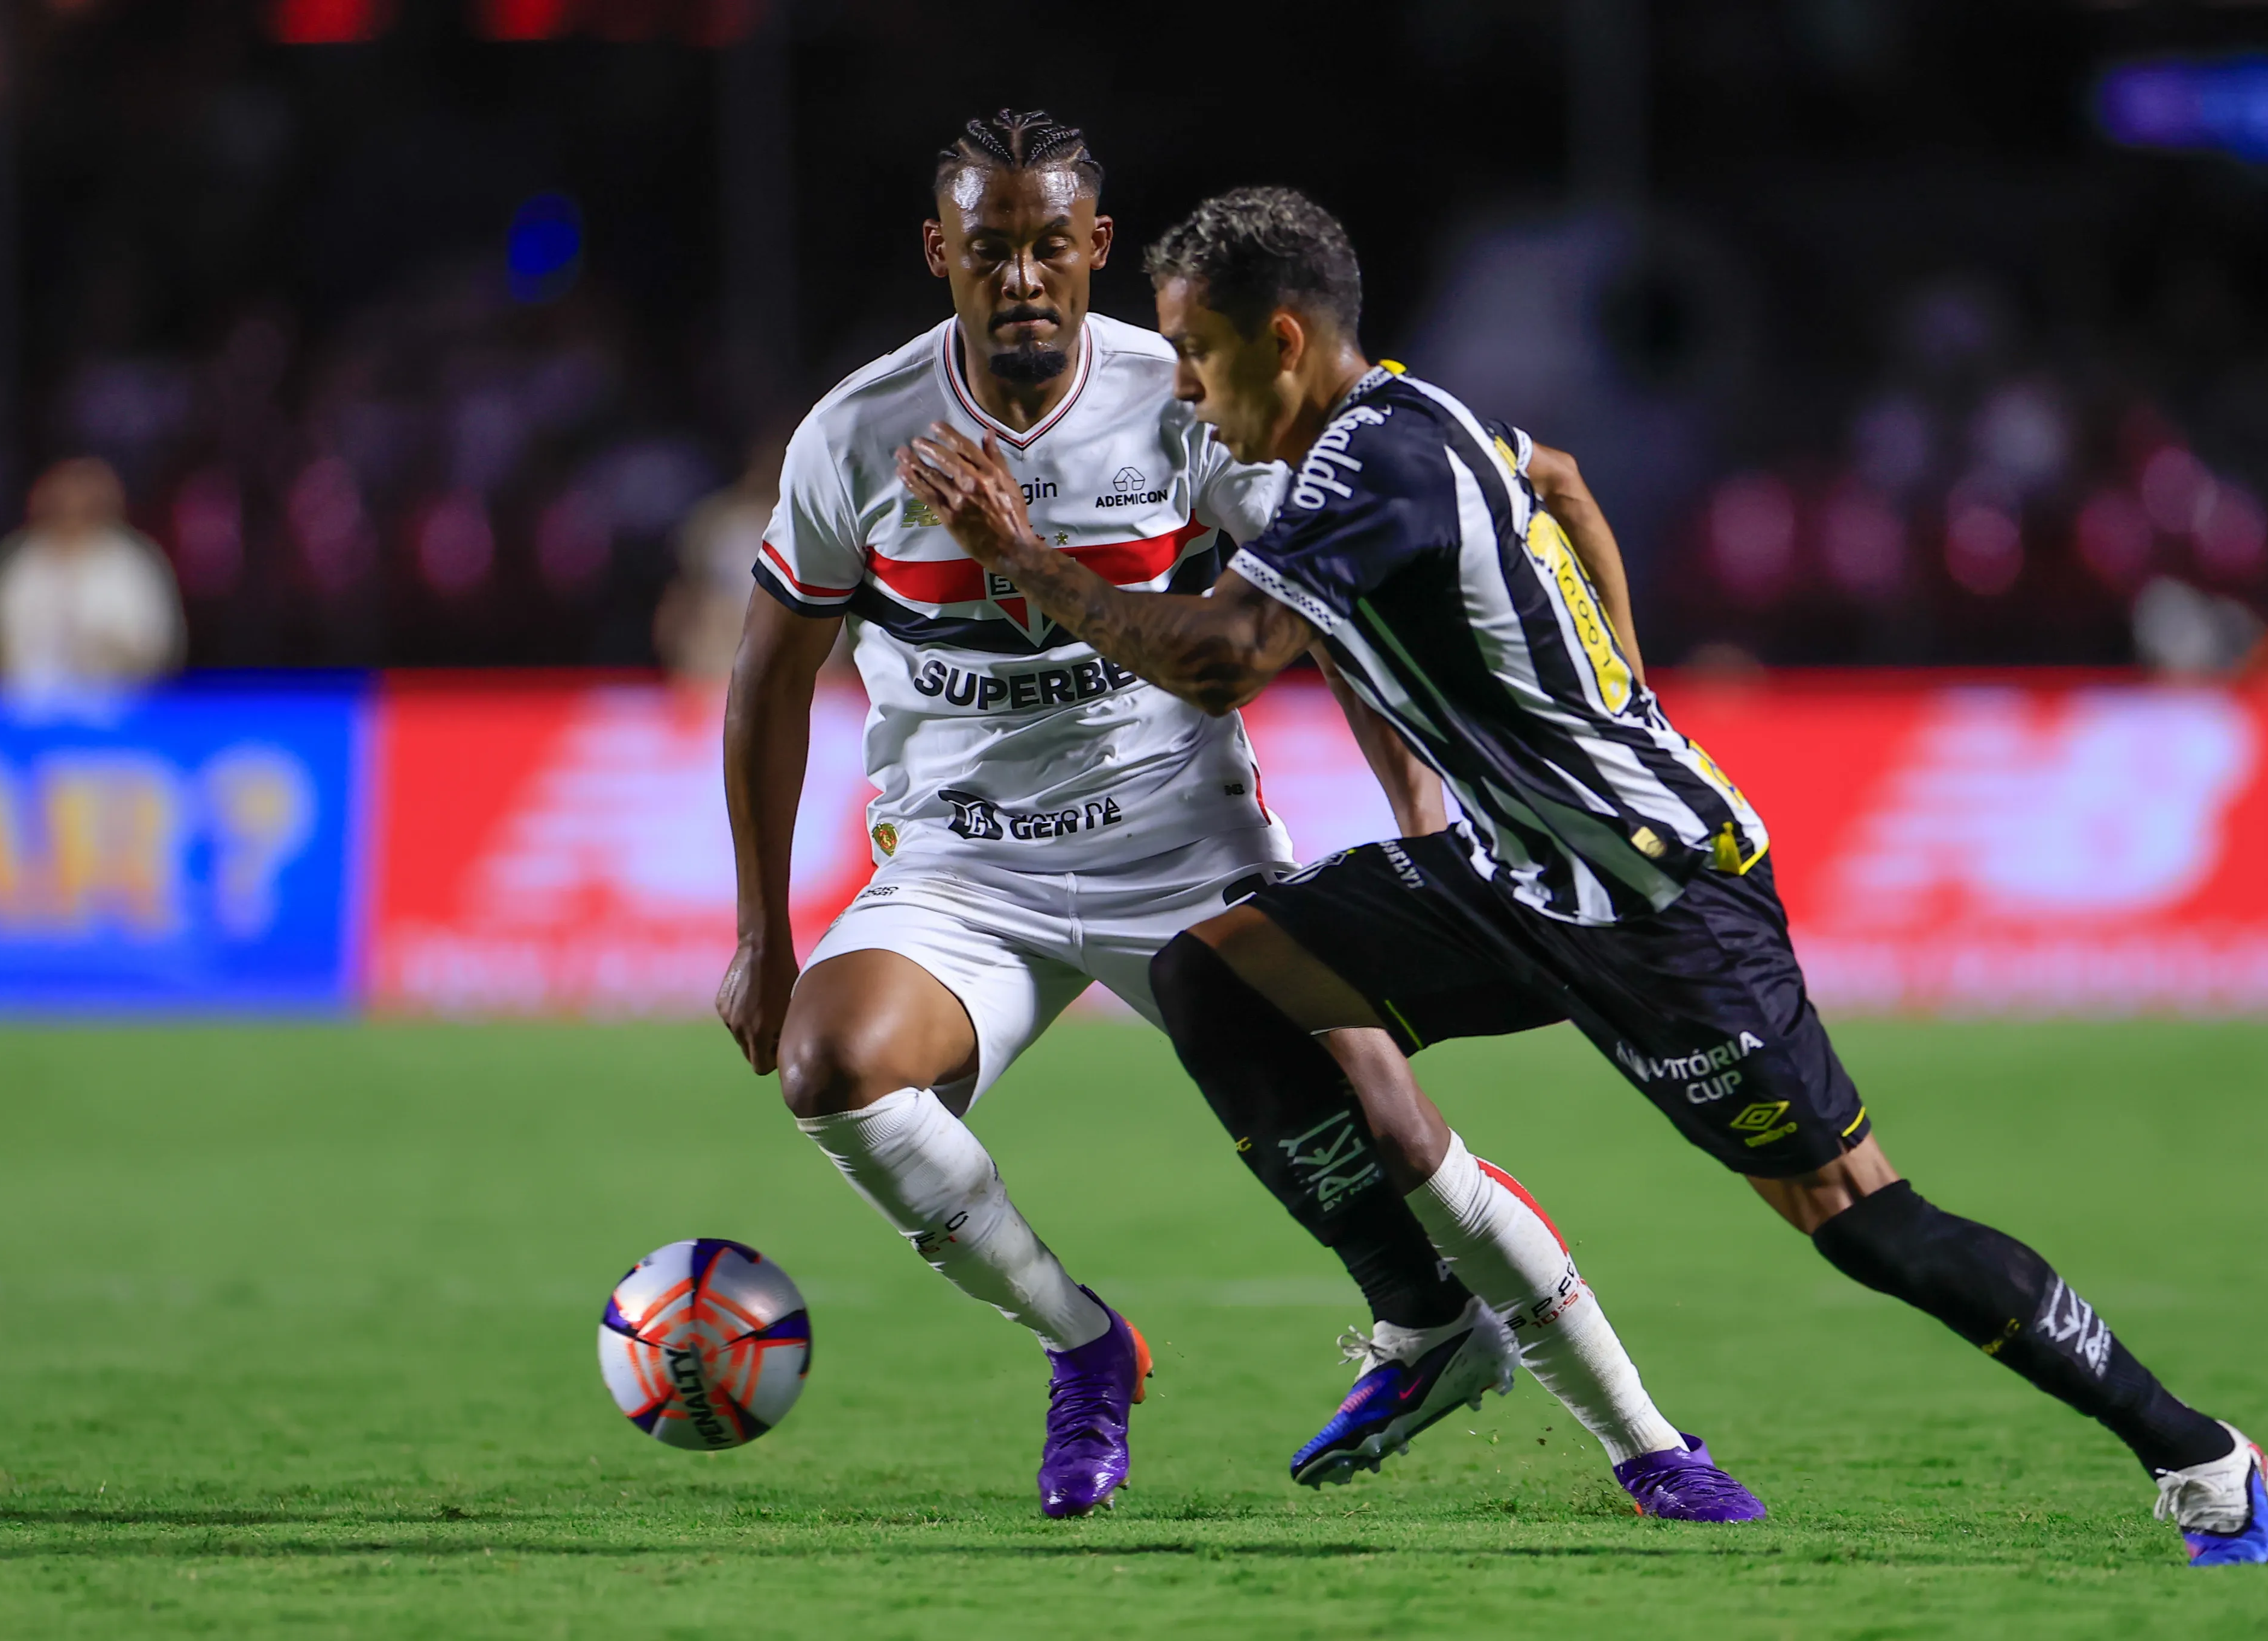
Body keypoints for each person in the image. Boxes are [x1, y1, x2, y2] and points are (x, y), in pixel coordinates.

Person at [894, 186, 2268, 1566]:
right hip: (1511, 876)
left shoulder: (1375, 462)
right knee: (1216, 969)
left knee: (1855, 1216)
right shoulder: (1410, 425)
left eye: (1198, 353)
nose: (1186, 389)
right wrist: (1617, 687)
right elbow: (1557, 476)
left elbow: (1225, 656)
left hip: (1662, 907)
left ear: (1284, 340)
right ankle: (1427, 1320)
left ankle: (2201, 1454)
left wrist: (1019, 557)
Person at [721, 114, 1757, 1522]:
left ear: (1095, 247)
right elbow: (767, 684)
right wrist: (758, 931)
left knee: (1394, 1123)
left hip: (1183, 845)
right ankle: (1086, 1348)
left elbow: (1322, 610)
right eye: (987, 250)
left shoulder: (1178, 396)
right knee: (828, 1066)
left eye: (1047, 246)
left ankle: (1647, 1440)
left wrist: (1414, 806)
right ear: (938, 256)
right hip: (962, 870)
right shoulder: (857, 433)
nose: (1020, 276)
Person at [0, 457, 185, 691]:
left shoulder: (133, 564)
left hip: (116, 707)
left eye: (84, 504)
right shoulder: (19, 562)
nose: (72, 510)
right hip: (26, 709)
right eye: (62, 503)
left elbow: (156, 645)